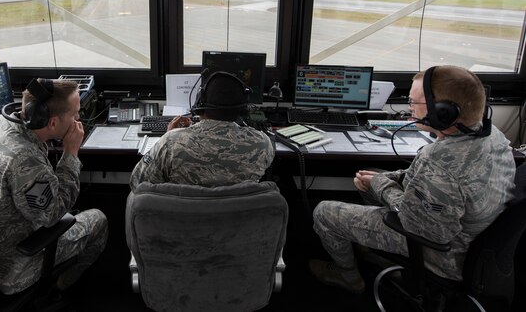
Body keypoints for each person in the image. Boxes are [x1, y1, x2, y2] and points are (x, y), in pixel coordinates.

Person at [309, 65, 516, 294]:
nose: (409, 109)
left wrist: (381, 184)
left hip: (442, 253)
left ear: (443, 111)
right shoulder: (489, 134)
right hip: (470, 238)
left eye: (413, 103)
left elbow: (414, 223)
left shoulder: (440, 162)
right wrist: (386, 178)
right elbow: (424, 181)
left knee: (323, 212)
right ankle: (371, 249)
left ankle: (348, 276)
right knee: (372, 176)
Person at [0, 78, 108, 295]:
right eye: (74, 114)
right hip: (8, 269)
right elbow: (52, 216)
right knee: (98, 220)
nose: (78, 119)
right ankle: (59, 286)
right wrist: (71, 153)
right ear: (53, 123)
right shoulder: (25, 160)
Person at [129, 71, 274, 191]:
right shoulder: (262, 144)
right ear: (242, 110)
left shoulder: (170, 142)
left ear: (199, 103)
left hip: (182, 223)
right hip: (238, 223)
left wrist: (168, 136)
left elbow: (138, 183)